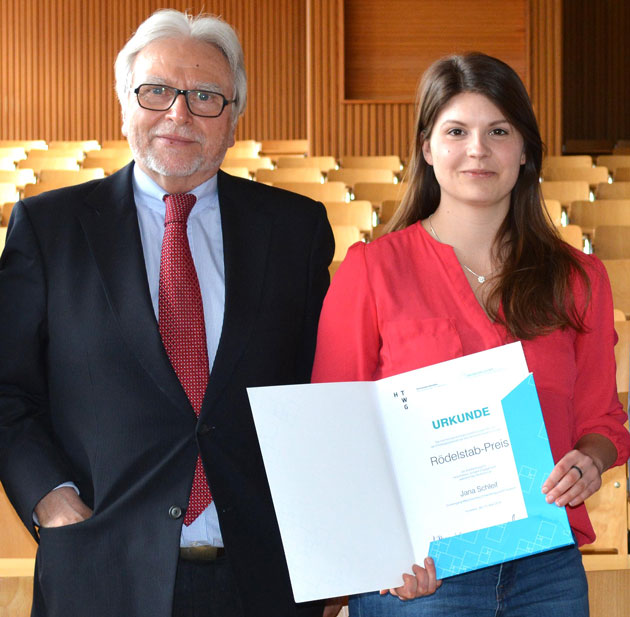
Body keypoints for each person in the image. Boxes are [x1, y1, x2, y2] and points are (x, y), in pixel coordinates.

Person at [0, 9, 333, 617]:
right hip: (101, 572)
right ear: (124, 103)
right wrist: (52, 499)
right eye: (157, 92)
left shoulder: (295, 230)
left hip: (261, 577)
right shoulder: (49, 229)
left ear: (233, 118)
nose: (179, 114)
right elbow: (8, 388)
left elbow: (323, 389)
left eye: (206, 96)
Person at [312, 52, 630, 617]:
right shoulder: (370, 270)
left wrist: (589, 460)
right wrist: (376, 557)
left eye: (499, 131)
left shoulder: (580, 279)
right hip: (421, 578)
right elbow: (334, 432)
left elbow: (601, 421)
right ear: (428, 148)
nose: (478, 149)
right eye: (456, 131)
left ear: (525, 149)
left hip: (547, 573)